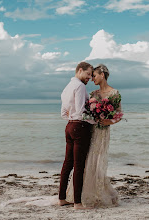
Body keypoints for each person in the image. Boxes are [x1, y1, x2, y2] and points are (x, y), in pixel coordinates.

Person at [66, 64, 122, 207]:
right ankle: (82, 193)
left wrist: (108, 121)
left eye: (94, 75)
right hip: (89, 130)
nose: (92, 79)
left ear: (102, 75)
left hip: (103, 131)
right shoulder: (93, 94)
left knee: (97, 161)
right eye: (90, 75)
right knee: (86, 161)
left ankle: (97, 192)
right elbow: (84, 111)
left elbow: (119, 115)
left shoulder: (114, 93)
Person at [58, 61, 94, 210]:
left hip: (69, 126)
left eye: (91, 75)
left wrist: (72, 120)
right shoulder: (79, 86)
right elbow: (80, 110)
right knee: (79, 165)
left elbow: (63, 113)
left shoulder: (67, 87)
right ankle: (77, 203)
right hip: (80, 127)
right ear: (80, 70)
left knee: (67, 164)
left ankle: (61, 198)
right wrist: (94, 118)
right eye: (88, 74)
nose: (90, 78)